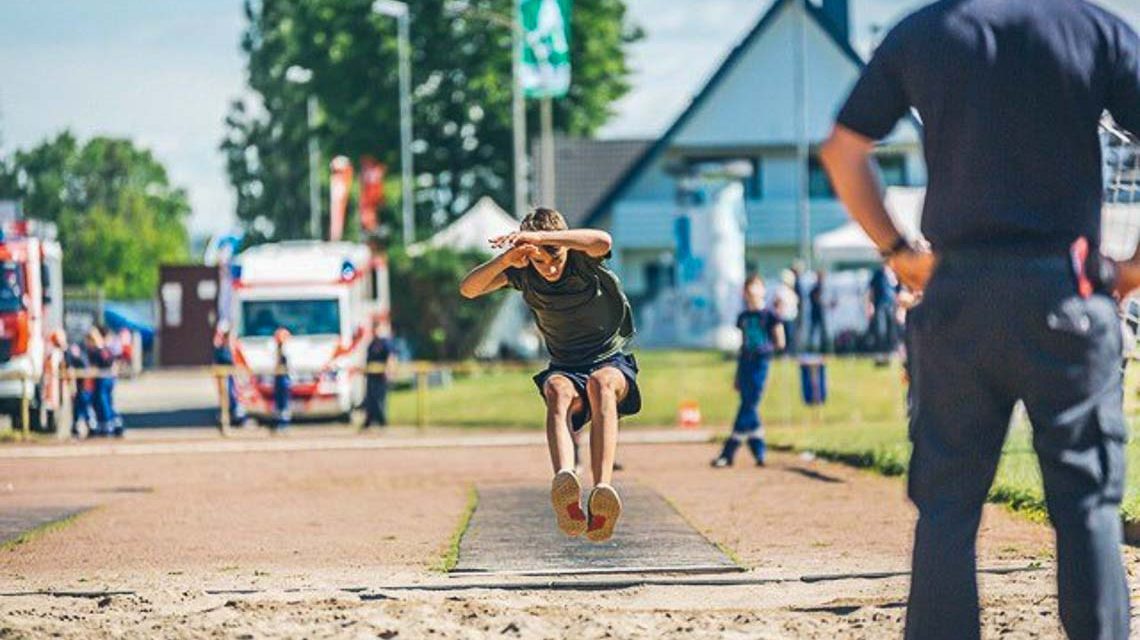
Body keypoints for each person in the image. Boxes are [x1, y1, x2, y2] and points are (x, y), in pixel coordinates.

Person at [820, 1, 1140, 637]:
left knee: (947, 505)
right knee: (1087, 505)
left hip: (958, 291)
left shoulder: (925, 31)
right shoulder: (1095, 29)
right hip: (1066, 289)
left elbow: (842, 151)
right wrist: (1131, 270)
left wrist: (898, 252)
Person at [459, 207, 640, 543]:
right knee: (556, 390)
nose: (550, 268)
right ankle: (565, 483)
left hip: (609, 359)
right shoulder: (524, 270)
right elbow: (469, 289)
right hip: (566, 366)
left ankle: (602, 491)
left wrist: (542, 238)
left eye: (554, 259)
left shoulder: (581, 260)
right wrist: (507, 260)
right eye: (541, 262)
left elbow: (603, 240)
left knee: (601, 384)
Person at [712, 274, 785, 468]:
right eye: (749, 287)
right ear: (744, 293)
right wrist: (737, 373)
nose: (752, 291)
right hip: (745, 363)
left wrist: (769, 351)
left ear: (763, 289)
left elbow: (780, 340)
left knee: (749, 405)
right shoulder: (743, 317)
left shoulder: (770, 314)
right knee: (748, 406)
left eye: (756, 286)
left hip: (760, 363)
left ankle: (729, 451)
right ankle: (759, 451)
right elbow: (743, 345)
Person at [360, 321, 396, 429]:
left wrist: (389, 371)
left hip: (380, 376)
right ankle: (369, 420)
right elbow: (368, 360)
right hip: (371, 376)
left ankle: (382, 421)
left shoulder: (384, 343)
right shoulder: (372, 343)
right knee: (370, 399)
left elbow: (391, 357)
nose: (375, 331)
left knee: (380, 399)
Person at [212, 323, 247, 427]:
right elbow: (221, 361)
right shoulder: (221, 348)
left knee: (236, 396)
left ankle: (237, 418)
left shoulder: (233, 347)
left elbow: (240, 360)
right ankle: (226, 420)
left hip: (234, 377)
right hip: (225, 377)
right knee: (226, 396)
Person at [866, 265, 898, 354]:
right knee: (881, 328)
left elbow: (897, 291)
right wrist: (870, 305)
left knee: (892, 329)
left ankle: (891, 350)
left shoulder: (893, 274)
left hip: (891, 305)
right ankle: (881, 351)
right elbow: (871, 290)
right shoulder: (878, 274)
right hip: (880, 304)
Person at [773, 269, 799, 355]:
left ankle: (790, 353)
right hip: (784, 317)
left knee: (791, 337)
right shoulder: (781, 290)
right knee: (786, 337)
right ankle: (785, 354)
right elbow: (777, 303)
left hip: (791, 317)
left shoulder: (790, 290)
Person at [271, 328, 292, 431]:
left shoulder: (287, 351)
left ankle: (284, 423)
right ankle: (280, 421)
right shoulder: (277, 349)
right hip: (278, 379)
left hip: (283, 379)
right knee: (279, 402)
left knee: (284, 402)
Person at [806, 270, 830, 353]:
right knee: (814, 331)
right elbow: (817, 300)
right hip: (816, 312)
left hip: (819, 312)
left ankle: (822, 349)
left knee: (820, 332)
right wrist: (826, 304)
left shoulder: (820, 287)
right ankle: (812, 349)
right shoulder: (816, 287)